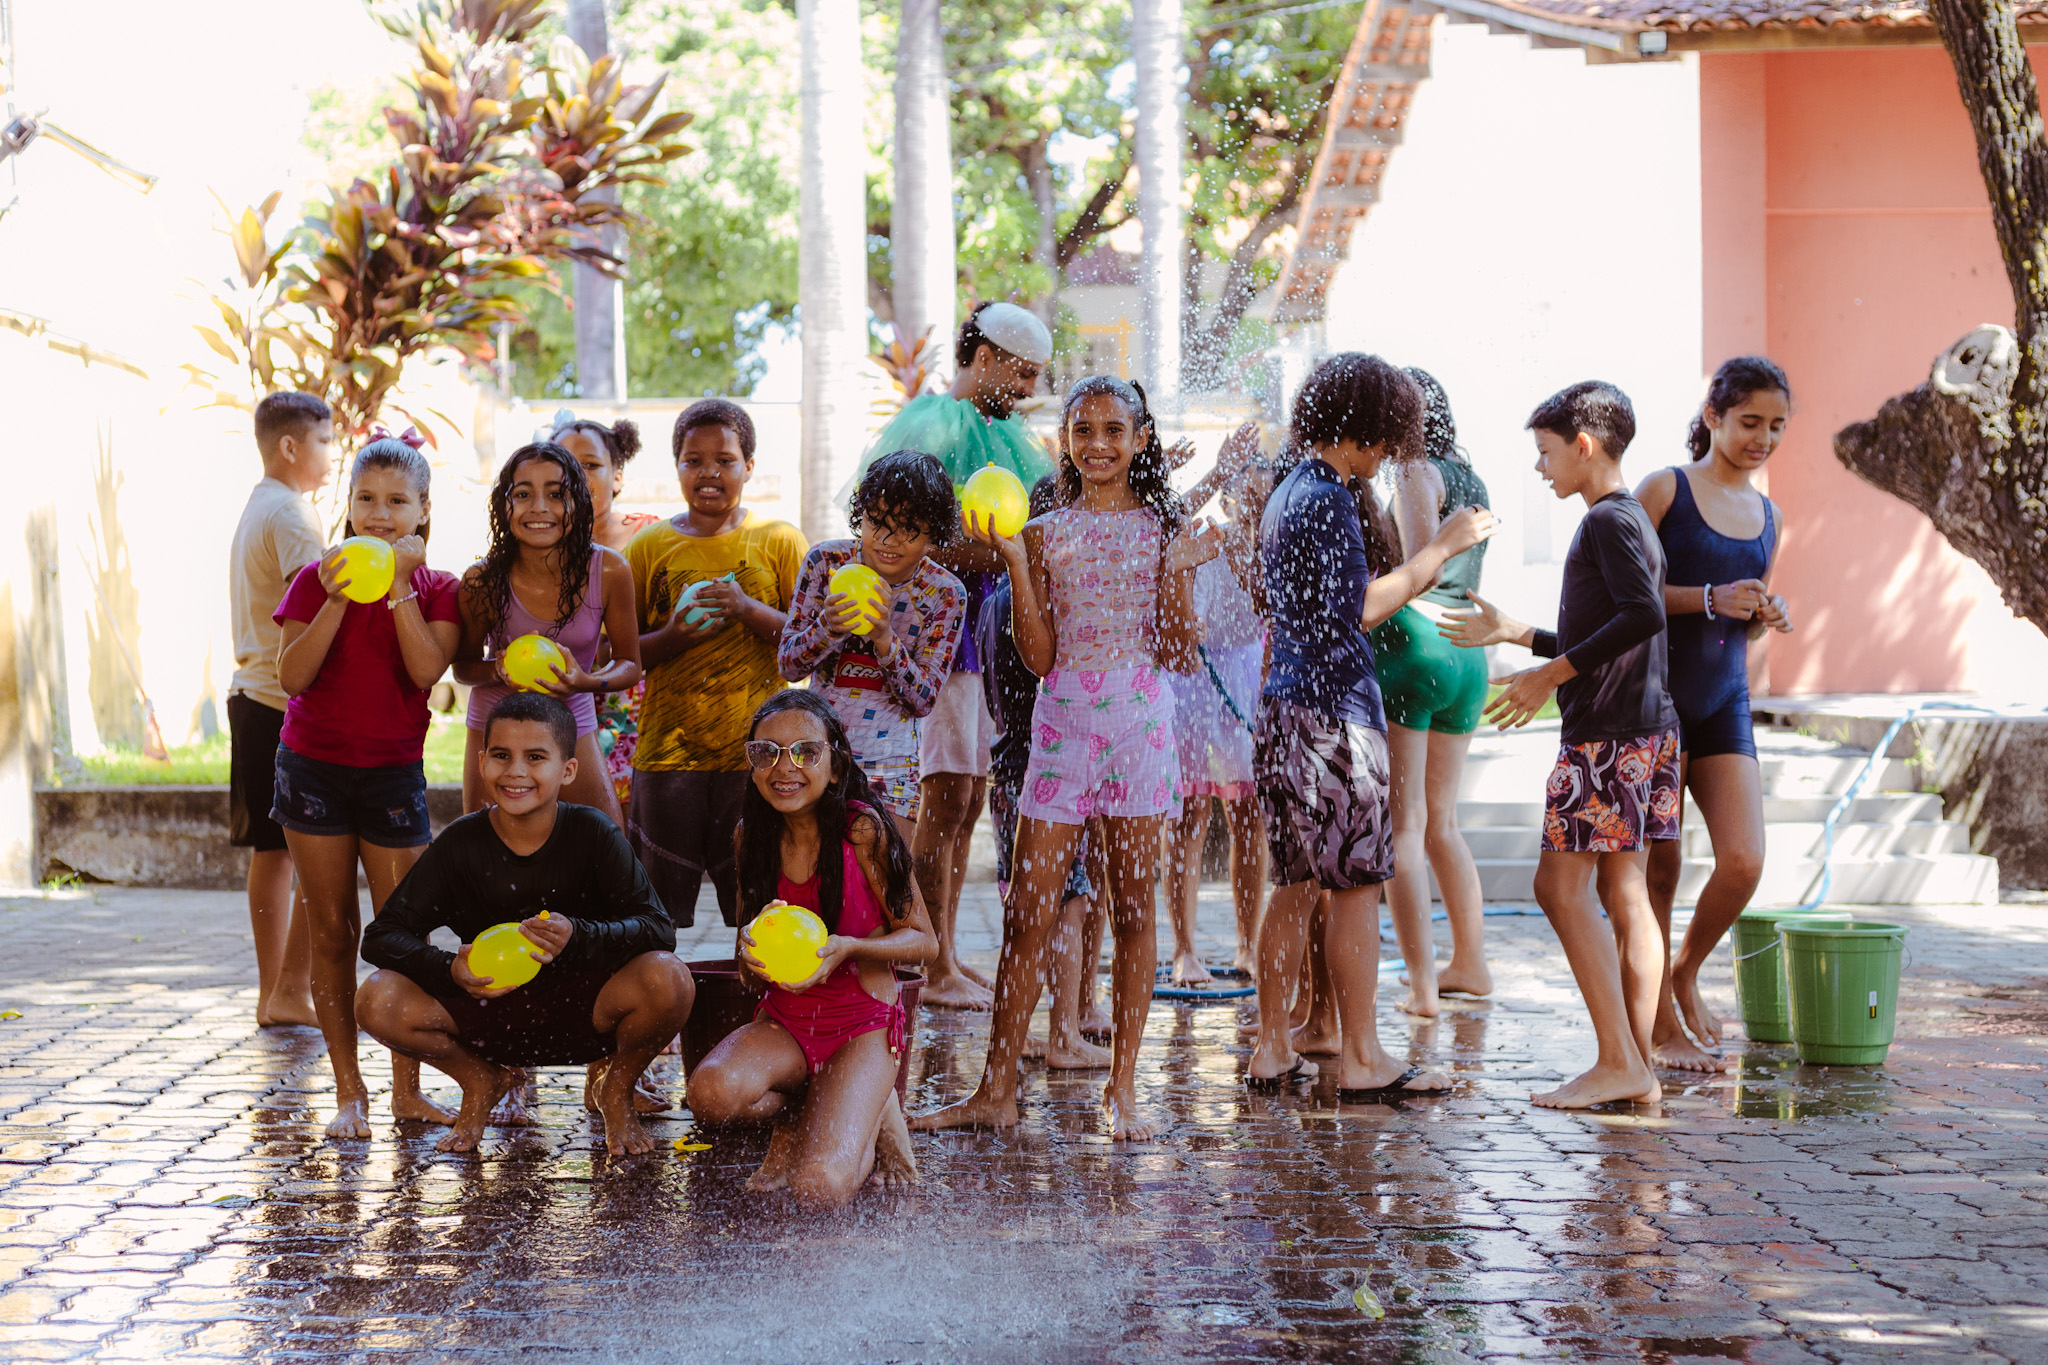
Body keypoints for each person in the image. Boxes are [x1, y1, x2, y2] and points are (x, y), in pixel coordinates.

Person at [917, 376, 1218, 1142]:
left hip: (1139, 735)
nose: (1099, 444)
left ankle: (1124, 1090)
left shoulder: (1162, 529)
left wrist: (1181, 569)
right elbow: (1042, 657)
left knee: (1132, 912)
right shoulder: (1045, 531)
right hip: (1062, 731)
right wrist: (1018, 563)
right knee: (1025, 911)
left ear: (1141, 439)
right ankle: (995, 1089)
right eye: (1083, 429)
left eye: (1115, 429)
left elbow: (1181, 654)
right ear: (1065, 441)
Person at [1244, 355, 1495, 1101]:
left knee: (1290, 884)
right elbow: (1359, 606)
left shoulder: (1288, 489)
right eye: (1386, 438)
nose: (1388, 454)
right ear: (1362, 428)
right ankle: (1361, 1056)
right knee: (1355, 887)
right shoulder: (1328, 495)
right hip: (1333, 716)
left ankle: (1270, 1045)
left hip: (1285, 707)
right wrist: (1439, 553)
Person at [1441, 380, 1678, 1110]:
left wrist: (1550, 673)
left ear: (1583, 445)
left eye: (1546, 454)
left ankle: (1621, 1060)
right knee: (1621, 891)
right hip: (1644, 729)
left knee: (1558, 886)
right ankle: (1633, 1063)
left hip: (1609, 737)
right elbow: (1614, 626)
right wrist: (1520, 635)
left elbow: (1640, 616)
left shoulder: (1607, 521)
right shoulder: (1630, 518)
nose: (1541, 469)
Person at [356, 693, 693, 1155]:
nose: (516, 771)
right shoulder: (461, 844)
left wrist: (579, 936)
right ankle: (480, 1080)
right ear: (481, 762)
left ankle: (614, 1093)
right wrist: (448, 970)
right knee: (376, 997)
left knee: (669, 978)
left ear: (568, 770)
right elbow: (382, 937)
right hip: (487, 1013)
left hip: (585, 1013)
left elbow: (658, 929)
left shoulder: (593, 833)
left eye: (535, 758)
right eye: (501, 756)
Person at [847, 303, 1057, 1010]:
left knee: (965, 799)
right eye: (1022, 371)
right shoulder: (930, 423)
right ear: (989, 356)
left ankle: (948, 953)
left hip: (978, 634)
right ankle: (928, 965)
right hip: (932, 629)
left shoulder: (1007, 435)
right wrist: (998, 553)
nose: (1028, 387)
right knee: (943, 797)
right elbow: (897, 538)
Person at [273, 431, 462, 1139]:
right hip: (313, 771)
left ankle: (405, 1091)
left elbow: (423, 671)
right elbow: (291, 678)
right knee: (331, 931)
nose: (380, 514)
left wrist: (397, 587)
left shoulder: (439, 588)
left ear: (422, 511)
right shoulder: (311, 578)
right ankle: (348, 1090)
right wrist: (336, 596)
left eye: (397, 501)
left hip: (391, 775)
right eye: (366, 499)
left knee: (398, 935)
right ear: (347, 506)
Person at [684, 690, 934, 1210]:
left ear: (836, 765)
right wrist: (749, 960)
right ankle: (799, 1115)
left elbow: (924, 942)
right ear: (752, 764)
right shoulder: (750, 836)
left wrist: (849, 949)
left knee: (817, 1188)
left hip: (861, 1024)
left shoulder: (862, 832)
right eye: (766, 752)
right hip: (787, 1024)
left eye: (805, 752)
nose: (784, 767)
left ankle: (875, 1115)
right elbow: (747, 954)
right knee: (707, 1094)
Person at [1636, 357, 1794, 1071]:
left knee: (1743, 859)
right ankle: (1658, 1017)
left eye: (1777, 426)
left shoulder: (1771, 516)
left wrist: (1764, 611)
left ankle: (1685, 969)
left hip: (1725, 699)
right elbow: (1617, 589)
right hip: (1657, 697)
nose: (1763, 438)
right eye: (1751, 422)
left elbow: (1742, 623)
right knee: (1660, 871)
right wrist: (1708, 596)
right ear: (1713, 418)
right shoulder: (1666, 489)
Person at [629, 400, 806, 929]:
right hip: (666, 757)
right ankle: (664, 1004)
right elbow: (622, 656)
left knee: (759, 909)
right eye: (693, 460)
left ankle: (757, 1006)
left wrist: (747, 609)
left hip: (757, 761)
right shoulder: (649, 547)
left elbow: (805, 648)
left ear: (749, 466)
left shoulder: (778, 541)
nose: (709, 472)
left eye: (724, 460)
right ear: (677, 467)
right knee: (655, 916)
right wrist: (674, 636)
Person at [1368, 368, 1496, 1017]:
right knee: (1443, 820)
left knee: (1404, 826)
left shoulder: (1414, 471)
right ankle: (1470, 961)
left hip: (1415, 648)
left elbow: (1422, 562)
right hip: (1470, 651)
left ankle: (1421, 985)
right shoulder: (1471, 477)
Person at [978, 476, 1110, 1068]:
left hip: (1007, 765)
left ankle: (1038, 1033)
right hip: (1046, 766)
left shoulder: (994, 599)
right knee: (1068, 901)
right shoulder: (1046, 597)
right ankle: (1064, 1034)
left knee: (1031, 904)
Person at [777, 450, 966, 833]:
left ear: (934, 533)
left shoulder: (945, 593)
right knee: (812, 888)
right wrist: (827, 627)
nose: (886, 540)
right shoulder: (825, 562)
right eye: (875, 521)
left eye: (908, 528)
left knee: (883, 889)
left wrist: (884, 638)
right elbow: (789, 665)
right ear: (859, 514)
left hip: (891, 770)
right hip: (815, 762)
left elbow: (923, 699)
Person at [455, 441, 641, 827]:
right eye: (523, 494)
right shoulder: (483, 580)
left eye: (556, 494)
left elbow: (630, 665)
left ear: (579, 504)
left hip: (571, 714)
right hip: (496, 723)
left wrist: (584, 681)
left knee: (607, 841)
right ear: (504, 506)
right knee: (483, 854)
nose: (539, 507)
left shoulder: (608, 571)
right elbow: (464, 667)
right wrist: (496, 671)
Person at [227, 391, 332, 1029]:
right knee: (302, 852)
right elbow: (323, 603)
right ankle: (286, 990)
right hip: (280, 702)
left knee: (274, 852)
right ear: (290, 446)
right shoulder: (292, 515)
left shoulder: (259, 503)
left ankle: (280, 992)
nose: (332, 454)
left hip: (253, 697)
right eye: (324, 442)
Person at [1162, 431, 1270, 986]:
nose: (1251, 482)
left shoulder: (1268, 534)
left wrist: (1251, 531)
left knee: (1248, 814)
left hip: (1244, 671)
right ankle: (1184, 949)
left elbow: (1265, 605)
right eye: (1243, 472)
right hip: (1192, 676)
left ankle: (1249, 945)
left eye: (1260, 471)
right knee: (1186, 814)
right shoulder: (1203, 531)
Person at [552, 412, 661, 815]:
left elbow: (669, 627)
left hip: (635, 710)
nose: (576, 476)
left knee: (624, 828)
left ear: (617, 477)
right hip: (558, 704)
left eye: (592, 465)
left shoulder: (651, 539)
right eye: (563, 463)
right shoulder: (533, 545)